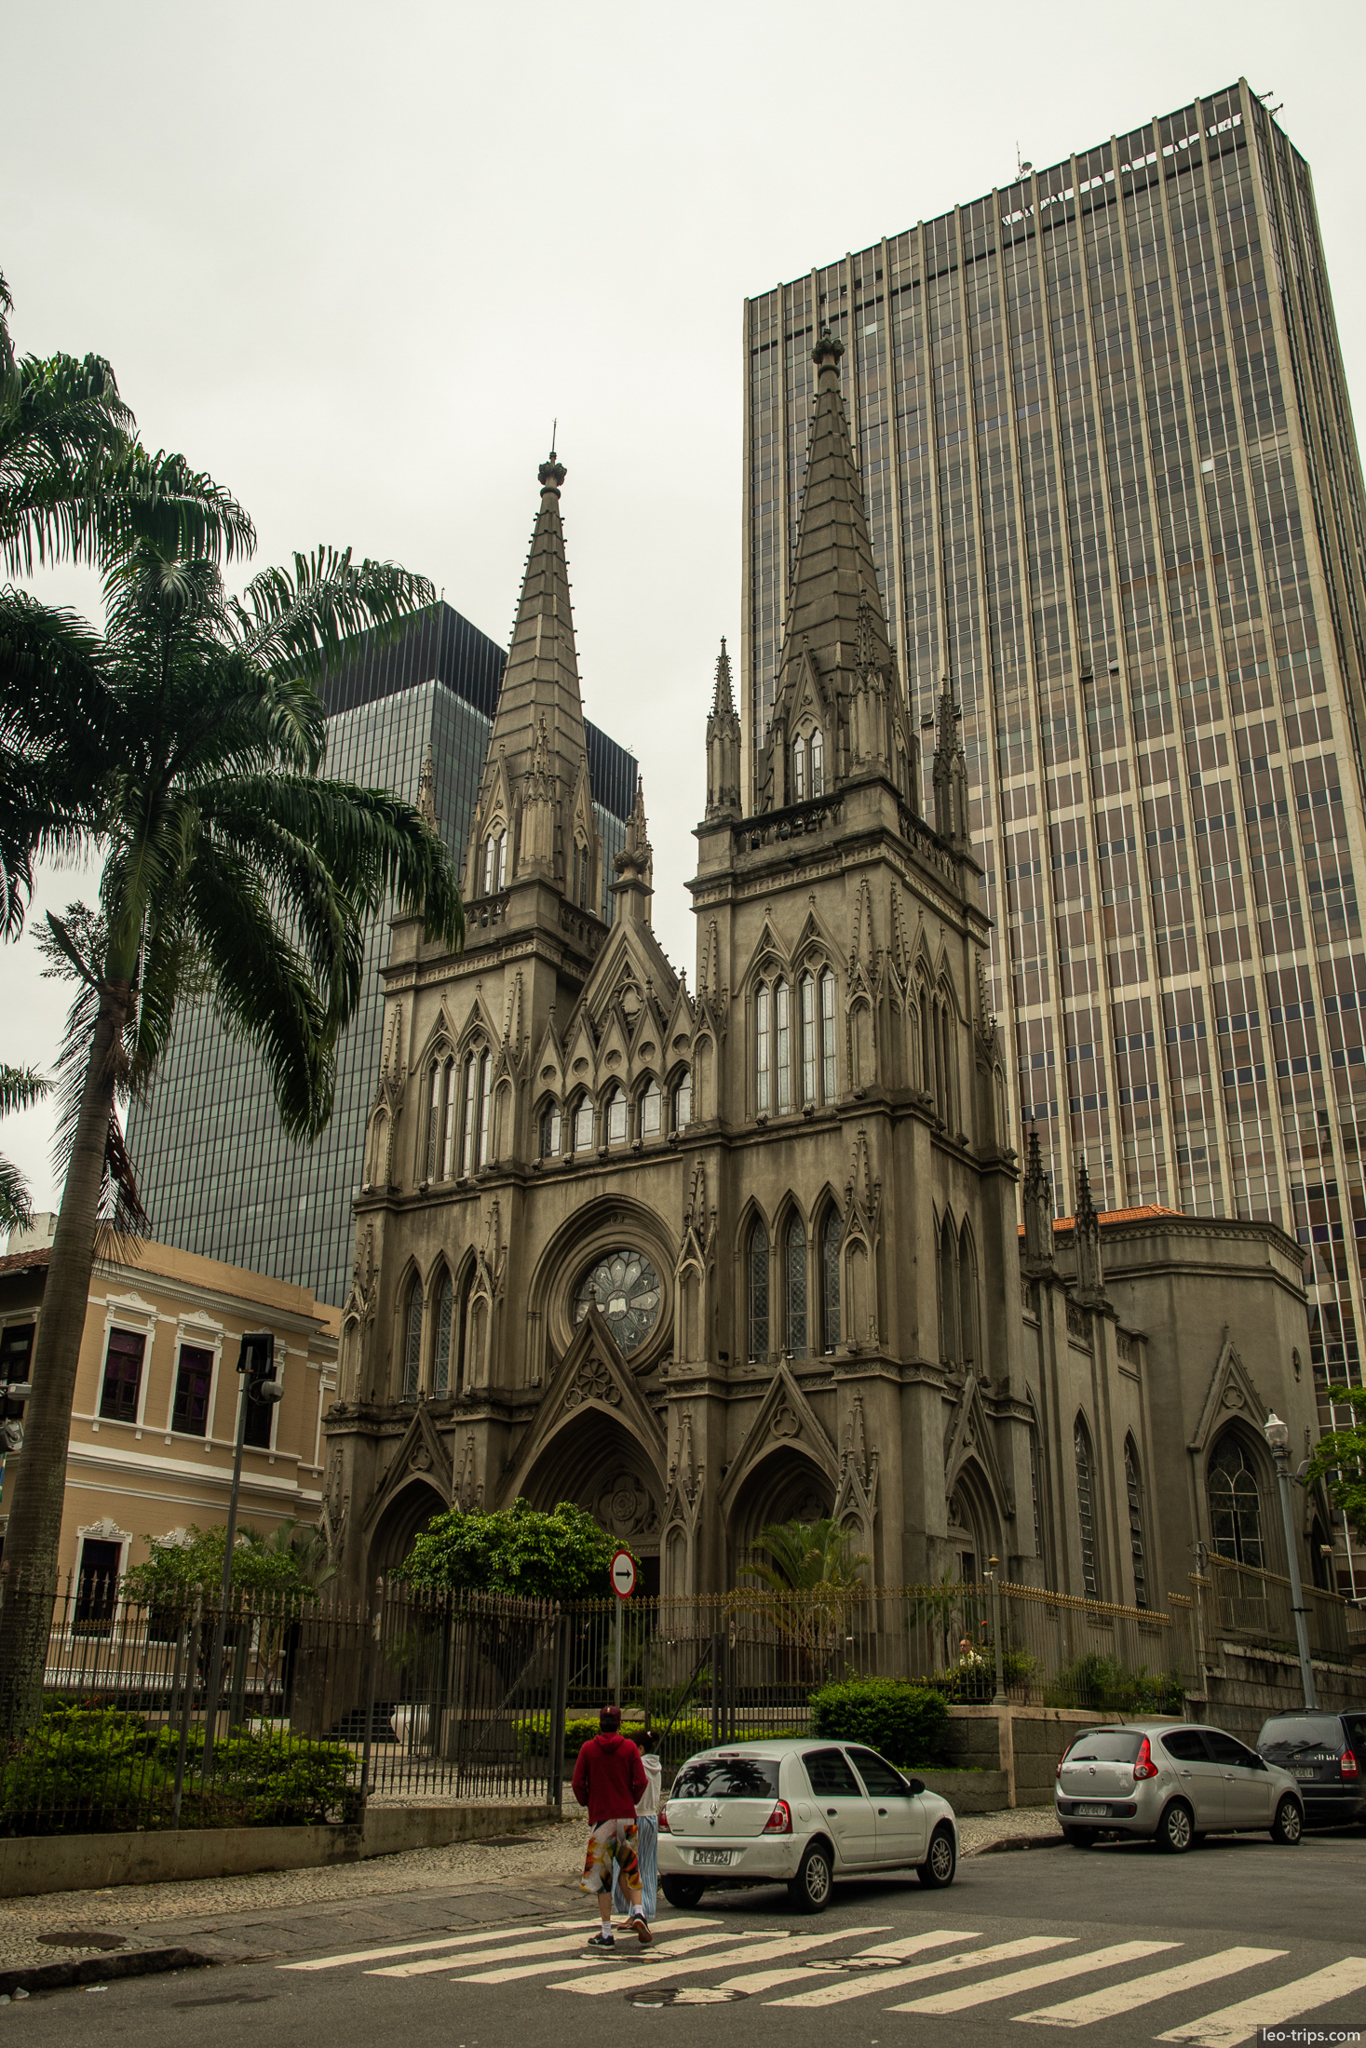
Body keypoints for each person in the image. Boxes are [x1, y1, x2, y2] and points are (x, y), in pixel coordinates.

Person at [571, 1704, 652, 1949]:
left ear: (599, 1724)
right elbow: (641, 1781)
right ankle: (639, 1912)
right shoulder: (629, 1748)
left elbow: (577, 1783)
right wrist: (631, 1799)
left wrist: (588, 1801)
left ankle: (606, 1932)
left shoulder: (588, 1749)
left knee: (603, 1878)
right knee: (631, 1868)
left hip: (602, 1819)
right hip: (626, 1817)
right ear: (619, 1725)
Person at [612, 1726, 662, 1926]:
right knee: (646, 1868)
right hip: (651, 1818)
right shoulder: (656, 1766)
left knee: (624, 1870)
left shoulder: (637, 1764)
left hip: (635, 1818)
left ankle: (636, 1913)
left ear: (640, 1749)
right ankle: (643, 1910)